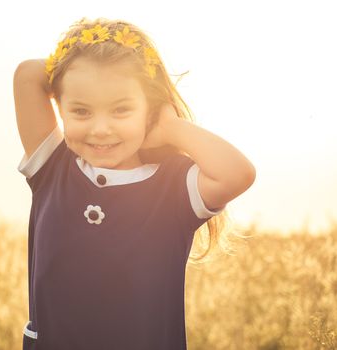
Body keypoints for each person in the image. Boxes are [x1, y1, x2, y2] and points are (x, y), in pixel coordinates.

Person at [13, 17, 256, 350]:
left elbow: (238, 173)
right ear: (61, 107)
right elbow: (27, 75)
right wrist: (84, 56)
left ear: (150, 108)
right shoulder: (51, 169)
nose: (100, 128)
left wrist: (170, 127)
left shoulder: (173, 188)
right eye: (81, 111)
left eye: (121, 110)